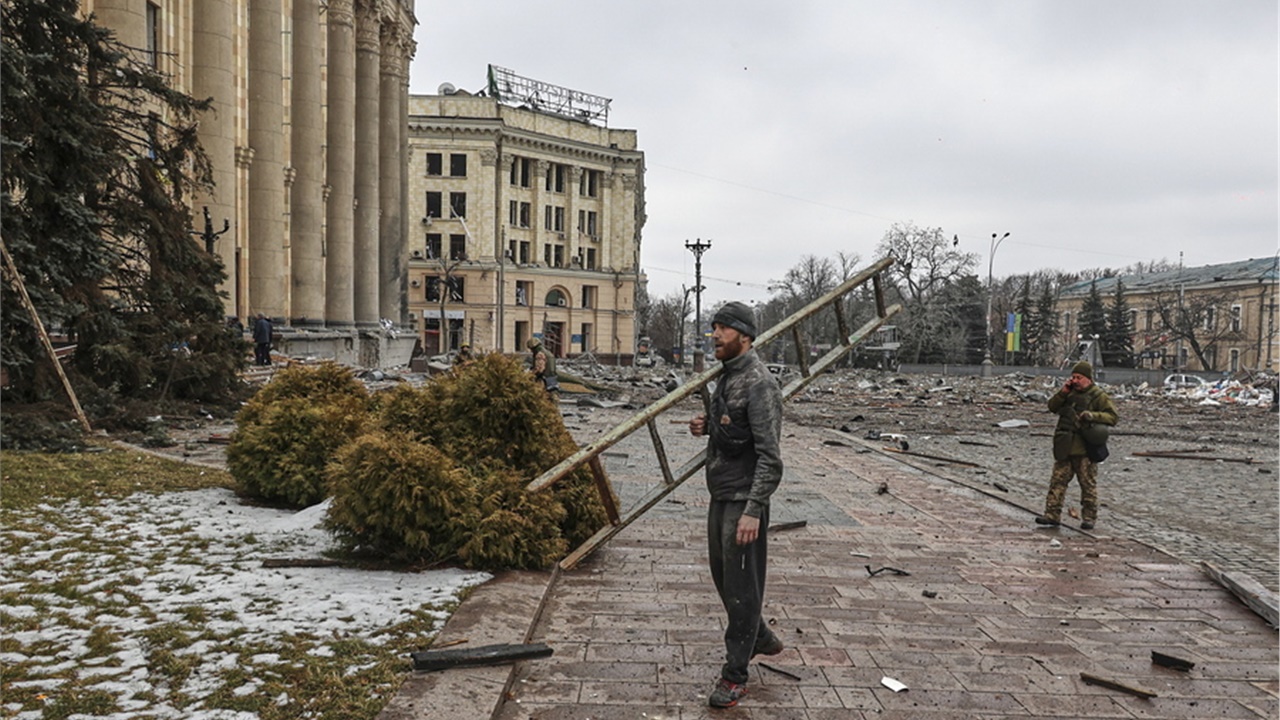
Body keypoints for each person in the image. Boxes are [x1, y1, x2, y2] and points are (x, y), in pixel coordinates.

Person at [687, 301, 785, 709]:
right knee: (724, 580)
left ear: (744, 335)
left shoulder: (760, 383)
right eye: (713, 328)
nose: (714, 335)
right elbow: (735, 428)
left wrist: (754, 511)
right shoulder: (728, 378)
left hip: (744, 500)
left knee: (742, 588)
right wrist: (708, 426)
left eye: (722, 329)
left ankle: (735, 675)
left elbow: (770, 457)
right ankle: (758, 635)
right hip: (721, 493)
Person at [1037, 360, 1118, 530]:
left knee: (1087, 485)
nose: (1075, 380)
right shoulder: (1068, 393)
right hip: (1065, 446)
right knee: (1057, 482)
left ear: (1088, 378)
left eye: (1079, 377)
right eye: (1073, 377)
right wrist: (1063, 392)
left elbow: (1112, 417)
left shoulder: (1098, 396)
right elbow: (1052, 407)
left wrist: (1092, 416)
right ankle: (1052, 514)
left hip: (1085, 449)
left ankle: (1089, 517)